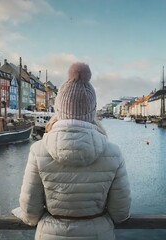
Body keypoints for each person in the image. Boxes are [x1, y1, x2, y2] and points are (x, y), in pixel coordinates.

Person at [12, 62, 131, 239]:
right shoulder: (113, 152)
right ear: (92, 111)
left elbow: (31, 213)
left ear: (59, 109)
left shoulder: (38, 150)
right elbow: (120, 213)